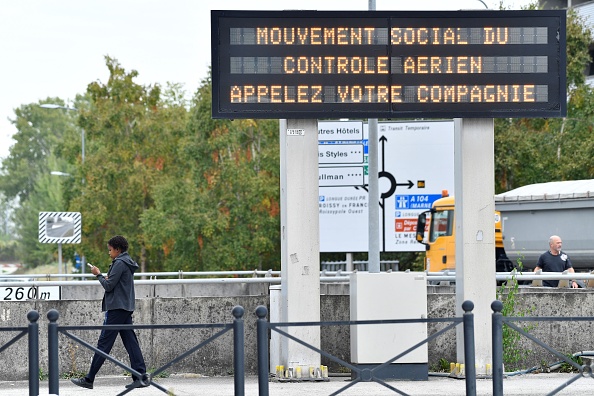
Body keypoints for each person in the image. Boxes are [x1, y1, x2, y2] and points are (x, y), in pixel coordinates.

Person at [71, 235, 148, 390]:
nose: (109, 253)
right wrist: (106, 277)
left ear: (118, 250)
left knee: (104, 343)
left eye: (110, 250)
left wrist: (98, 274)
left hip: (117, 309)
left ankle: (89, 378)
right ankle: (141, 376)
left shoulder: (119, 262)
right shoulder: (126, 262)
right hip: (125, 307)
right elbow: (116, 282)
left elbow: (109, 286)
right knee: (131, 342)